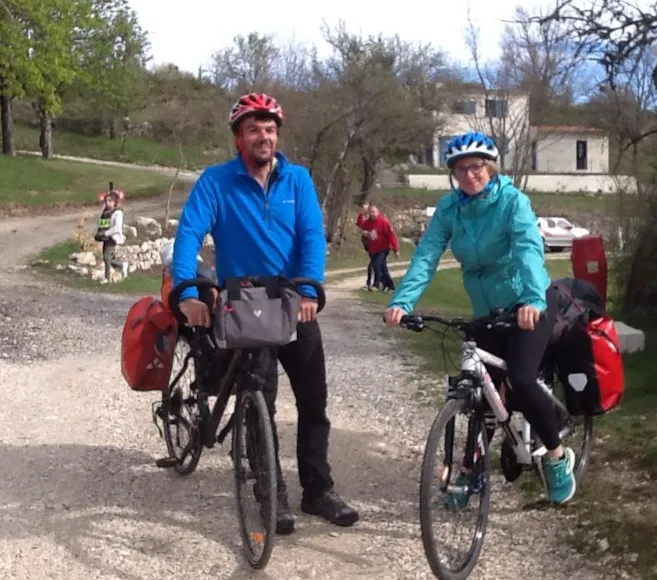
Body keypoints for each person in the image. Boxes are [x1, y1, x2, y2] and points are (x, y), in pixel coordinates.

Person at [171, 92, 360, 534]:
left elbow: (312, 235)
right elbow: (189, 235)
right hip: (244, 304)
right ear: (239, 137)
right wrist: (187, 292)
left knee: (314, 400)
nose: (264, 136)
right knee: (262, 403)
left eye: (270, 129)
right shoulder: (216, 182)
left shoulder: (298, 181)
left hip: (294, 302)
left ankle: (317, 489)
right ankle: (269, 492)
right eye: (254, 129)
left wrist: (311, 287)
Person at [382, 131, 576, 505]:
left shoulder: (512, 202)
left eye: (477, 167)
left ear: (490, 168)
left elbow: (527, 249)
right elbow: (426, 255)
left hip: (528, 302)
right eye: (461, 170)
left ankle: (556, 455)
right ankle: (471, 473)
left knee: (519, 379)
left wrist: (533, 298)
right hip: (486, 309)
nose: (469, 176)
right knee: (478, 392)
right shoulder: (450, 209)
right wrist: (403, 301)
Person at [356, 203, 399, 292]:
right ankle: (390, 286)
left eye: (374, 212)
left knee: (376, 265)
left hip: (383, 248)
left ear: (378, 212)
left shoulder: (383, 222)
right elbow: (360, 224)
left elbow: (391, 236)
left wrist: (396, 250)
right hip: (373, 249)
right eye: (370, 212)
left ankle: (376, 285)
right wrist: (362, 212)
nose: (372, 214)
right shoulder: (368, 222)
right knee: (382, 267)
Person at [94, 191, 129, 283]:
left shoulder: (117, 214)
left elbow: (117, 227)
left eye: (110, 201)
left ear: (115, 202)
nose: (107, 203)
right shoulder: (106, 212)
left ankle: (107, 278)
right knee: (108, 258)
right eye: (106, 201)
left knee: (107, 257)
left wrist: (106, 233)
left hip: (112, 237)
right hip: (105, 238)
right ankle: (121, 266)